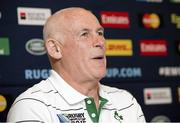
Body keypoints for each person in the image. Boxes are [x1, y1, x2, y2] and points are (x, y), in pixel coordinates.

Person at [7, 7, 146, 123]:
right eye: (84, 34)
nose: (100, 42)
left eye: (100, 33)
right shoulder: (32, 107)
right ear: (55, 49)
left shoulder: (127, 102)